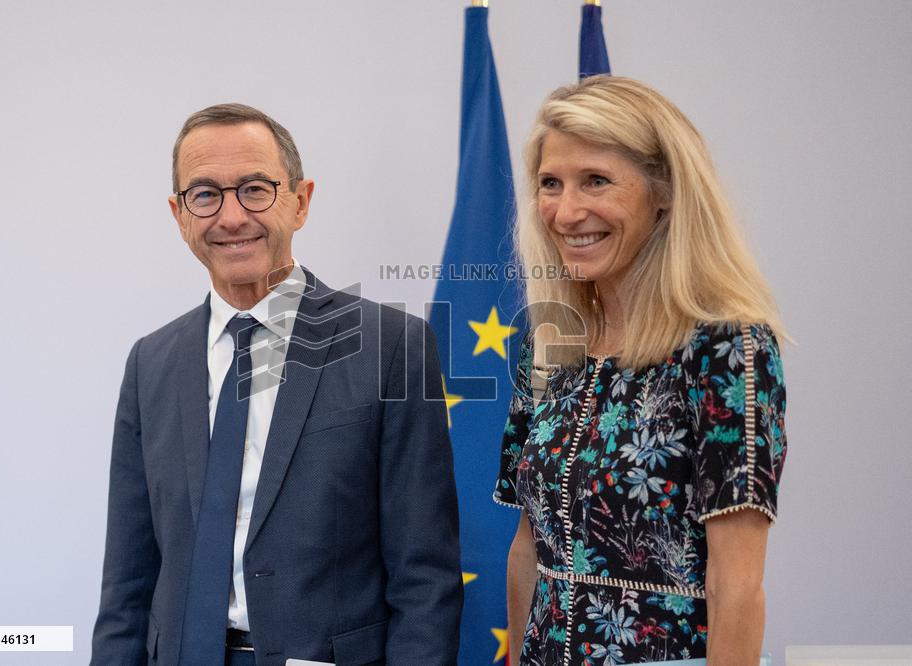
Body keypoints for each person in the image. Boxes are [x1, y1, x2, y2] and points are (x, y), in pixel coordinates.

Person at [91, 103, 462, 666]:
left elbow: (425, 577)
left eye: (255, 189)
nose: (232, 216)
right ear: (179, 214)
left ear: (301, 200)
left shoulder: (392, 347)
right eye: (205, 194)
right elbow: (127, 579)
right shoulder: (151, 363)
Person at [495, 77, 787, 665]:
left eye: (596, 181)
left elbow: (737, 587)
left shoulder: (728, 347)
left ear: (665, 192)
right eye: (550, 184)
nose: (566, 210)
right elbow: (529, 548)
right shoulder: (550, 343)